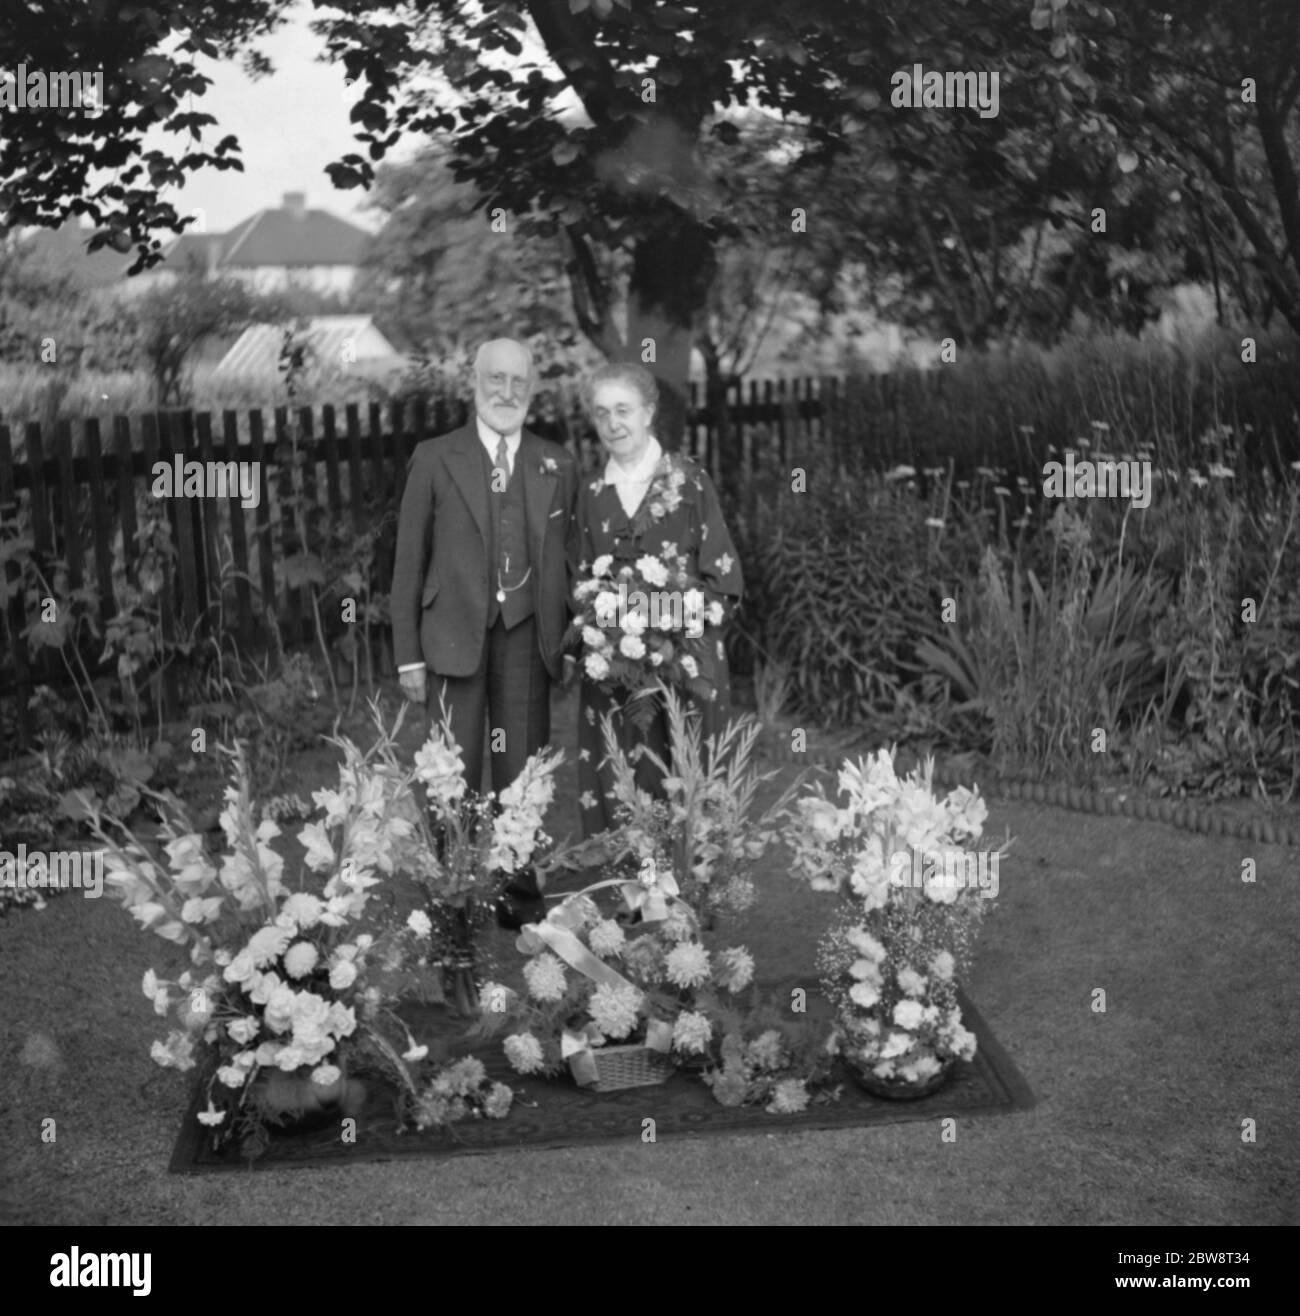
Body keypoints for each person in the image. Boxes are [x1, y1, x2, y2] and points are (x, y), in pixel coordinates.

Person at [391, 338, 579, 927]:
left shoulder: (557, 462)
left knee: (522, 771)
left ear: (533, 389)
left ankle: (517, 899)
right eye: (495, 379)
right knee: (454, 774)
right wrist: (407, 657)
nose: (506, 392)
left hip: (528, 637)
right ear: (473, 382)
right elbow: (407, 560)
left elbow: (571, 560)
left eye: (518, 382)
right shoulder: (434, 457)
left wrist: (572, 642)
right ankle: (452, 897)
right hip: (451, 639)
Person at [571, 361, 743, 839]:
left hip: (686, 662)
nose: (613, 423)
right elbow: (579, 579)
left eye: (623, 409)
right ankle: (637, 893)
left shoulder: (689, 482)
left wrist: (664, 631)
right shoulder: (590, 492)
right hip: (615, 669)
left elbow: (725, 580)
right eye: (602, 413)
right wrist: (605, 631)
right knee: (624, 776)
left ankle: (691, 893)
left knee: (689, 779)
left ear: (648, 411)